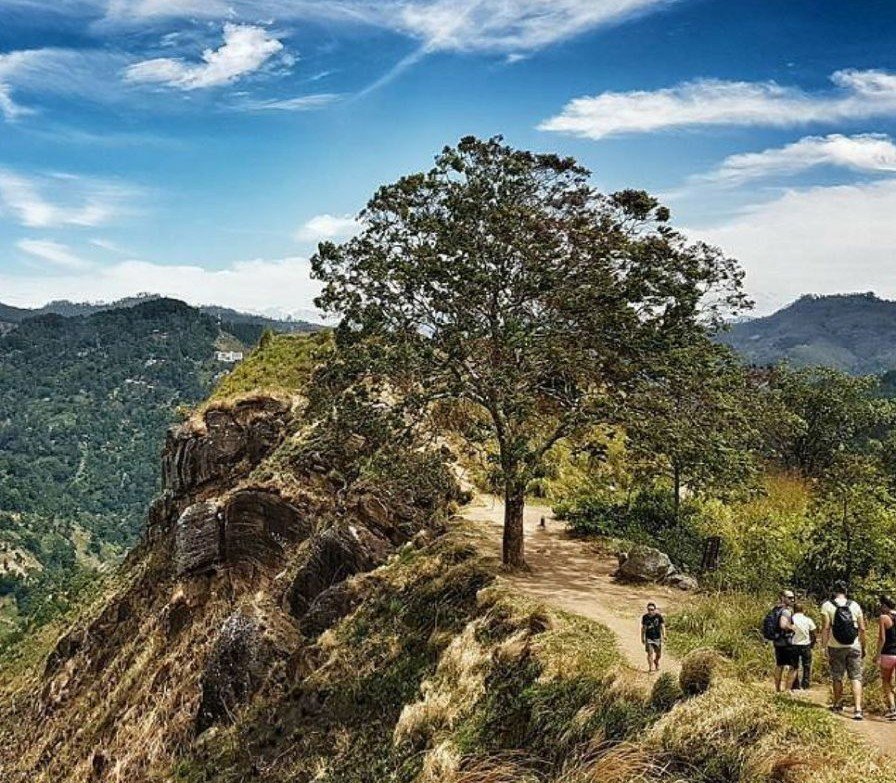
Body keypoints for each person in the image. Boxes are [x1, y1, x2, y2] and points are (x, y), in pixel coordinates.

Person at [821, 580, 866, 720]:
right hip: (854, 646)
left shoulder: (827, 605)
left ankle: (837, 704)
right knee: (856, 677)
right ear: (846, 591)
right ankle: (858, 709)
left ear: (834, 591)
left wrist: (823, 647)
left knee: (837, 676)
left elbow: (826, 628)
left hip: (835, 646)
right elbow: (862, 628)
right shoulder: (855, 605)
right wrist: (863, 646)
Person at [769, 589, 798, 692]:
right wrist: (792, 627)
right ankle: (787, 690)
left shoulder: (775, 609)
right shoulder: (786, 611)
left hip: (777, 641)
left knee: (779, 665)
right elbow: (782, 624)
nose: (792, 599)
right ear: (783, 598)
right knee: (794, 666)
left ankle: (777, 689)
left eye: (793, 597)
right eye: (789, 597)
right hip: (787, 641)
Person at [876, 594, 896, 721]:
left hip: (887, 653)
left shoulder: (883, 618)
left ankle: (893, 708)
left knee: (886, 681)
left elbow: (882, 638)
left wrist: (877, 655)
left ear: (884, 605)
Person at [789, 602, 817, 690]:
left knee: (794, 666)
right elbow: (813, 633)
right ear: (803, 610)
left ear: (794, 610)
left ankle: (795, 684)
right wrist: (812, 643)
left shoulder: (791, 620)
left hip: (793, 645)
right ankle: (805, 684)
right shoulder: (808, 620)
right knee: (807, 665)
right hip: (805, 645)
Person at [641, 602, 666, 673]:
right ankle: (651, 667)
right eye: (649, 609)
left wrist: (664, 635)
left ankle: (656, 661)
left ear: (655, 609)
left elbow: (662, 626)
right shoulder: (645, 617)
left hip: (657, 638)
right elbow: (644, 628)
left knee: (658, 654)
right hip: (649, 638)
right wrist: (642, 637)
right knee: (650, 653)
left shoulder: (659, 616)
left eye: (652, 609)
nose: (650, 611)